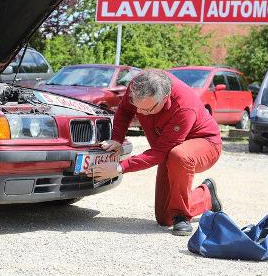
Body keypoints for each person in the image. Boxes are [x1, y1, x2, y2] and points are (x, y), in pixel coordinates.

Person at [86, 69, 223, 236]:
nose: (142, 114)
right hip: (170, 149)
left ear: (164, 99)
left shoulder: (183, 107)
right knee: (165, 218)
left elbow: (159, 152)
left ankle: (182, 215)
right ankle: (207, 195)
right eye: (139, 108)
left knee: (179, 155)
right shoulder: (139, 86)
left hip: (206, 143)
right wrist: (117, 139)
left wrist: (119, 167)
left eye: (148, 110)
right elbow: (124, 111)